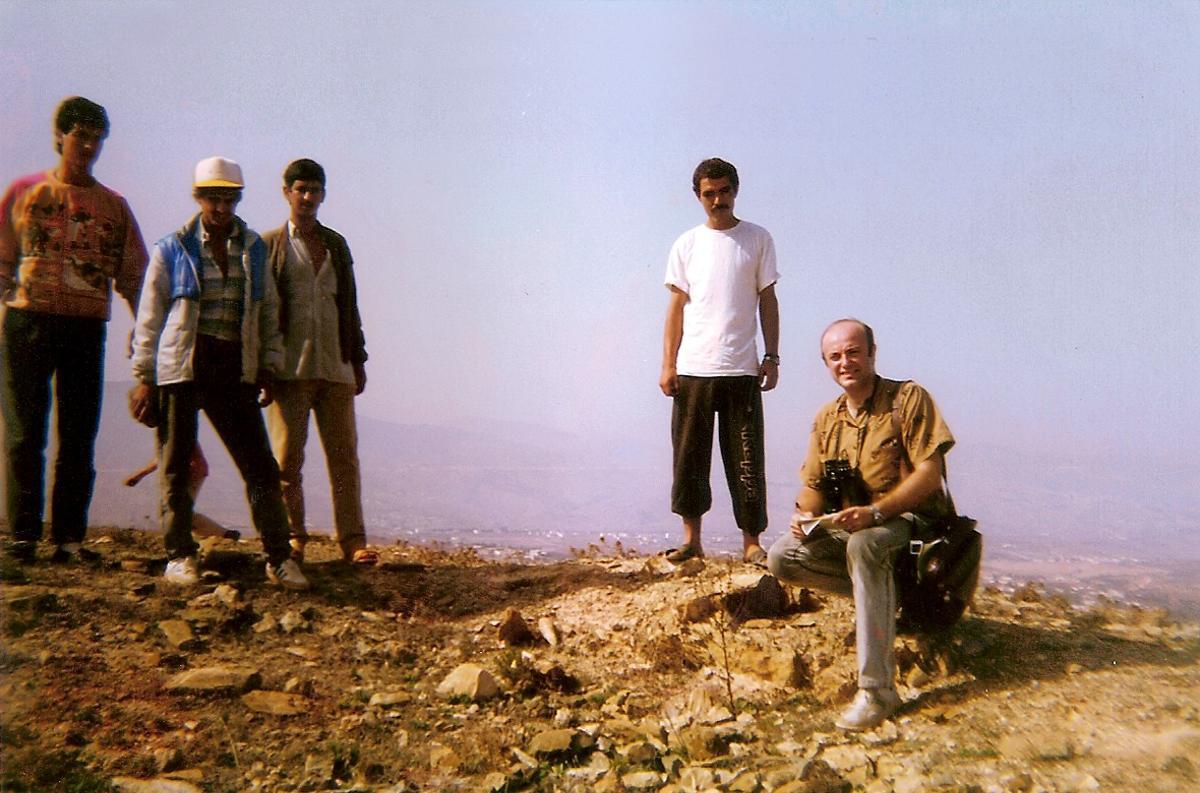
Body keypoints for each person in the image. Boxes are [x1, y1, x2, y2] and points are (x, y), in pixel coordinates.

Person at [767, 318, 956, 731]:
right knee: (782, 555)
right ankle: (886, 597)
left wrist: (876, 513)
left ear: (872, 353)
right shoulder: (827, 418)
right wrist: (804, 513)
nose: (845, 362)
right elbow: (814, 485)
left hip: (916, 525)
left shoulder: (908, 399)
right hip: (859, 526)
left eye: (853, 352)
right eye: (835, 356)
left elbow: (929, 472)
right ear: (826, 364)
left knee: (865, 545)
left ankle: (877, 692)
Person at [129, 156, 308, 590]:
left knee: (259, 465)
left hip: (233, 363)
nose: (222, 208)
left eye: (229, 198)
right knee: (175, 463)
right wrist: (143, 375)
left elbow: (266, 313)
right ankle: (179, 555)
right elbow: (150, 318)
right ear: (198, 198)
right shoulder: (172, 248)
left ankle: (278, 556)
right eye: (213, 198)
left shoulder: (253, 249)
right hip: (184, 364)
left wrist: (269, 363)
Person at [0, 96, 147, 564]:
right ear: (60, 135)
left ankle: (68, 537)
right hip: (27, 321)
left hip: (85, 327)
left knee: (79, 435)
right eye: (80, 134)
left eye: (97, 138)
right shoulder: (25, 192)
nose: (88, 145)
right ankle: (24, 533)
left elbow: (135, 276)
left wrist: (142, 329)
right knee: (24, 433)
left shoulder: (114, 206)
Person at [659, 157, 780, 565]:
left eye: (724, 191)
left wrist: (772, 356)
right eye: (709, 193)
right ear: (698, 196)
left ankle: (751, 544)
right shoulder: (686, 244)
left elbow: (767, 300)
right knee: (689, 458)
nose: (717, 200)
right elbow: (676, 308)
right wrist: (667, 364)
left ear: (735, 191)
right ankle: (692, 541)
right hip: (694, 369)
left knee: (746, 460)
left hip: (741, 369)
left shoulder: (757, 238)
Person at [262, 159, 374, 566]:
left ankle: (353, 542)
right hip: (289, 371)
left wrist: (358, 359)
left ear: (323, 194)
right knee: (286, 460)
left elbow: (350, 305)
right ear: (287, 192)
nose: (308, 198)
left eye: (315, 191)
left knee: (344, 459)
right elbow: (262, 311)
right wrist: (263, 368)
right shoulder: (269, 245)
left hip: (336, 368)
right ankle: (293, 538)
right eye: (301, 189)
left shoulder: (336, 246)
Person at [123, 444, 239, 540]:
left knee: (179, 512)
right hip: (187, 473)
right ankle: (221, 534)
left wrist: (138, 475)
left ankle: (224, 534)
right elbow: (163, 456)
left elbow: (166, 455)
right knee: (177, 512)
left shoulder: (173, 426)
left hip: (191, 472)